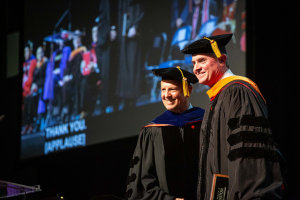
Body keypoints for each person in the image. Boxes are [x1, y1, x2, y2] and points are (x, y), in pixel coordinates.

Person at [181, 34, 283, 199]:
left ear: (222, 60)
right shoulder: (218, 98)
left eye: (202, 61)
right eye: (193, 63)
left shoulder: (238, 91)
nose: (195, 68)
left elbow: (250, 154)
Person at [125, 67, 205, 200]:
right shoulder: (152, 130)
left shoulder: (206, 120)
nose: (166, 95)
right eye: (163, 89)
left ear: (188, 90)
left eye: (172, 89)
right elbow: (144, 179)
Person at [22, 41, 37, 134]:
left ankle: (31, 124)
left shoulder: (33, 62)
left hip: (31, 89)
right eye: (25, 51)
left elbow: (33, 76)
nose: (26, 53)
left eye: (28, 51)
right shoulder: (24, 64)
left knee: (30, 100)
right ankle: (25, 125)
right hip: (24, 90)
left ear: (30, 51)